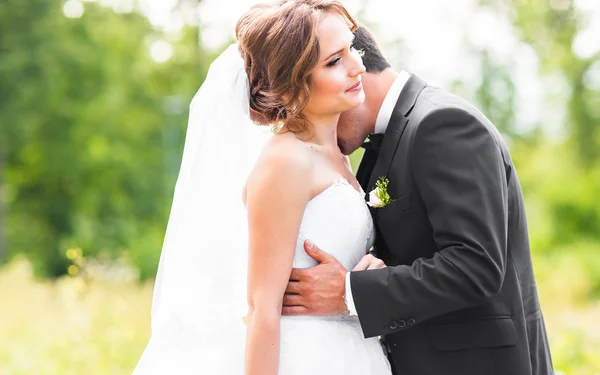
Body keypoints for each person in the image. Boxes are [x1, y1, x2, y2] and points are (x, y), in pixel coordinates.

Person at [132, 2, 393, 375]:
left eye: (352, 48)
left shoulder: (335, 154)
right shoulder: (287, 161)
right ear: (292, 85)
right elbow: (261, 308)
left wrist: (369, 275)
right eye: (334, 62)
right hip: (305, 358)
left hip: (352, 353)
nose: (357, 66)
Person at [282, 26, 554, 375]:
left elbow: (476, 266)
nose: (310, 128)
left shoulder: (443, 123)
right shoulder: (386, 139)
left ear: (355, 72)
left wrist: (350, 291)